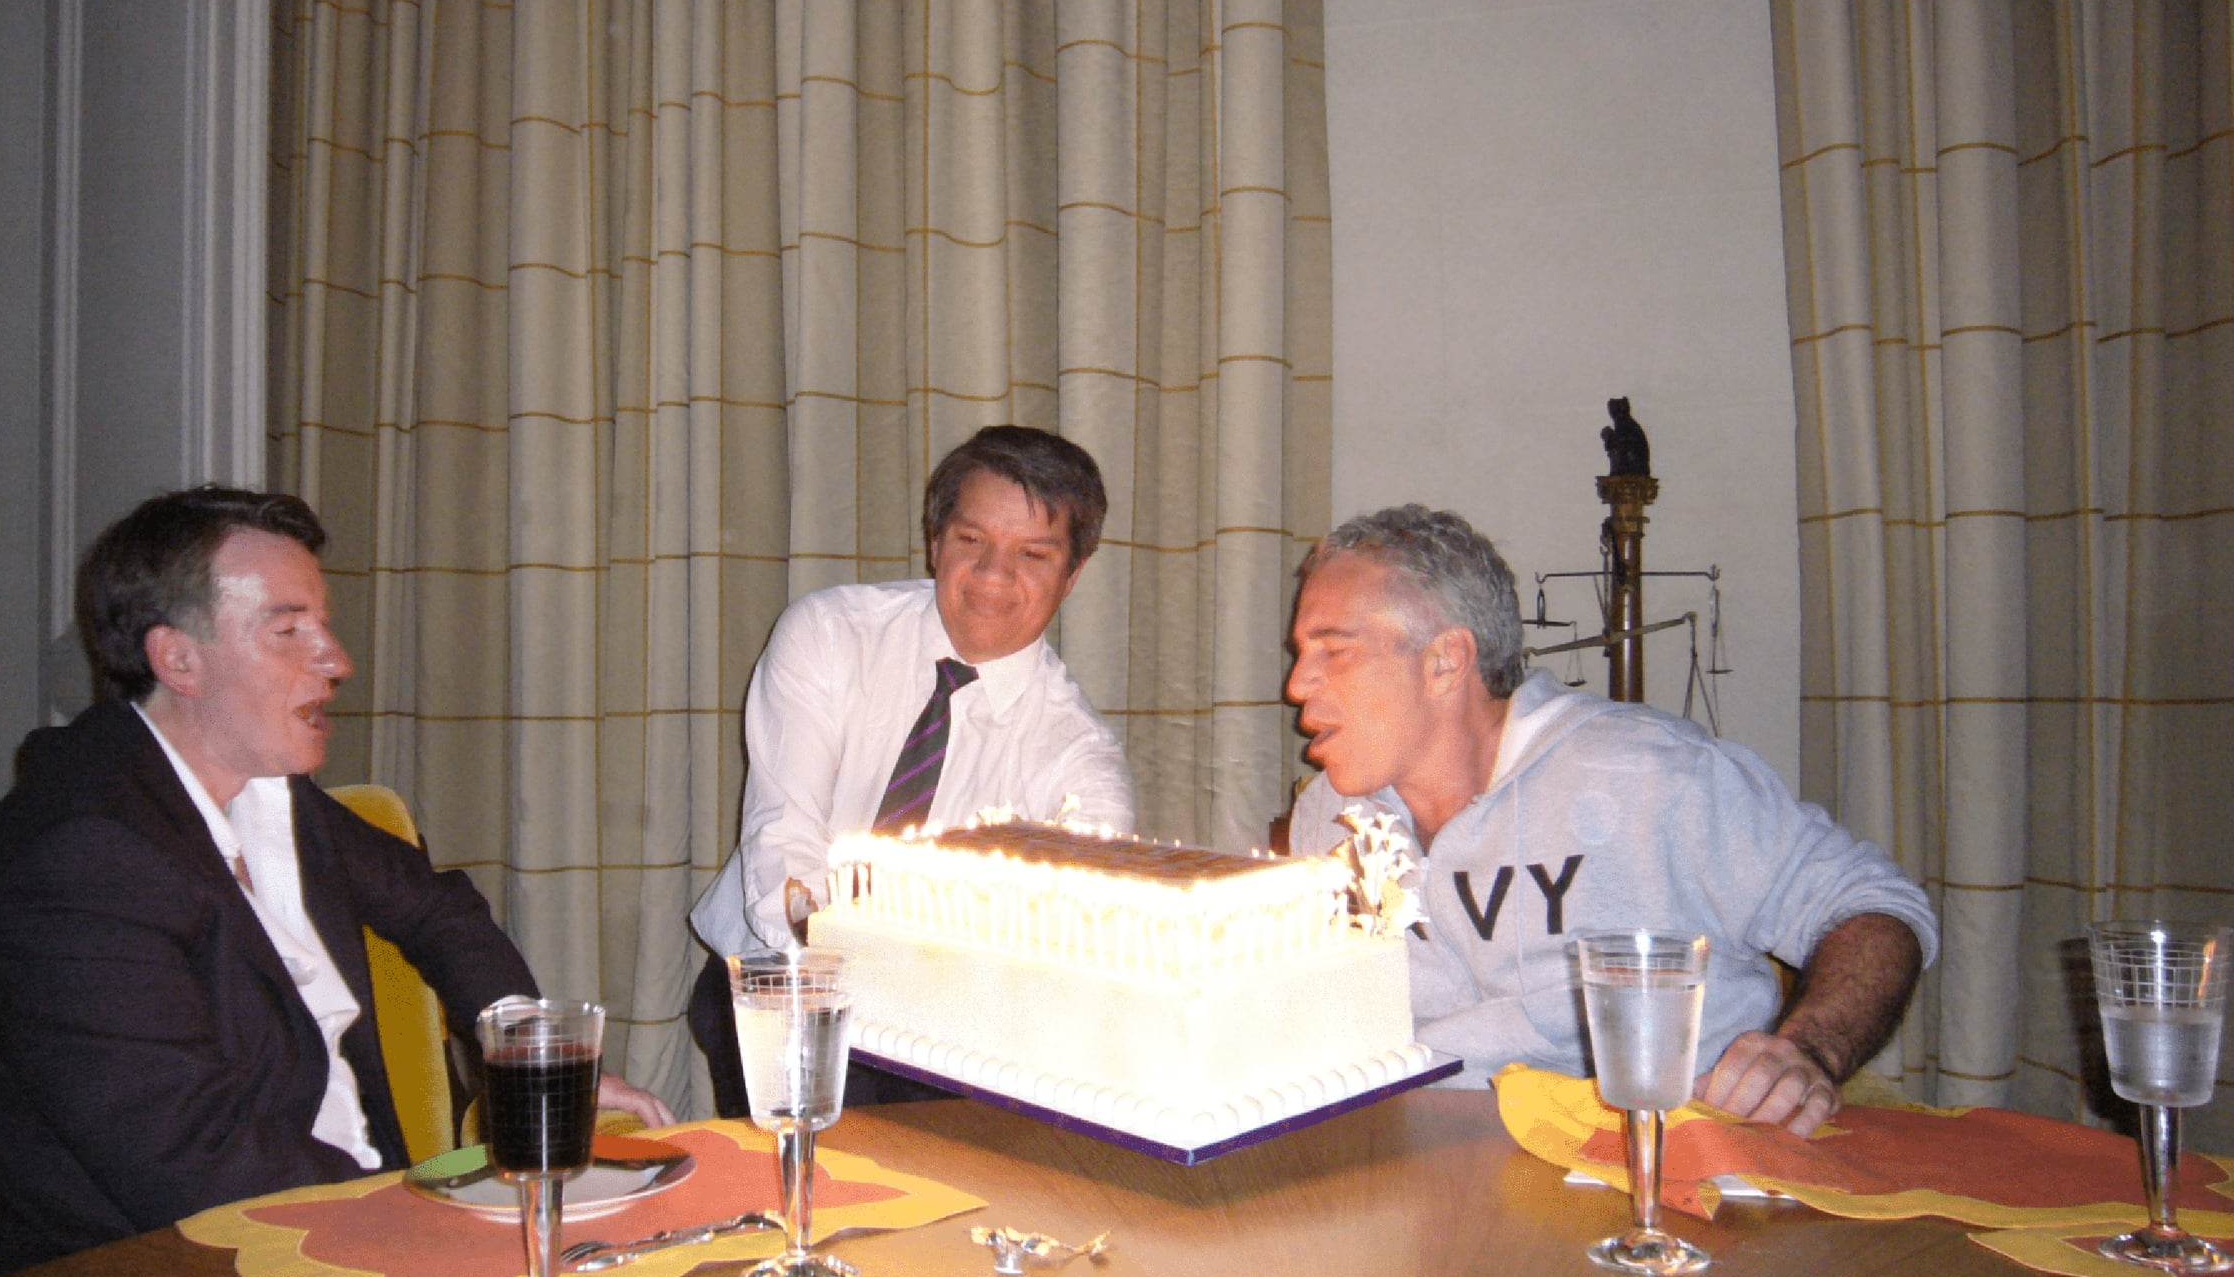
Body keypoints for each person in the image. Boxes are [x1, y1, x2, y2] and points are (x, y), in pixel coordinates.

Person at [0, 487, 668, 1277]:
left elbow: (438, 911)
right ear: (177, 659)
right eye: (289, 631)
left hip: (322, 1231)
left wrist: (534, 1061)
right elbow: (193, 1165)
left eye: (323, 625)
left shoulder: (265, 797)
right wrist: (435, 1233)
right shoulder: (79, 861)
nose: (337, 660)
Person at [1284, 505, 1936, 1136]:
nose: (1297, 686)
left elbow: (1874, 908)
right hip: (1415, 1167)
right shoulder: (1330, 820)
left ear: (1445, 663)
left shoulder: (1651, 778)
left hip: (1655, 1172)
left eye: (1333, 652)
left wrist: (1808, 1052)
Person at [688, 426, 1135, 1112]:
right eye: (971, 541)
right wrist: (829, 999)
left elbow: (1067, 947)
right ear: (935, 541)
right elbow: (784, 845)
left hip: (952, 1034)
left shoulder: (1078, 760)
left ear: (1073, 575)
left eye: (1032, 554)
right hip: (779, 981)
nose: (992, 575)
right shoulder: (830, 635)